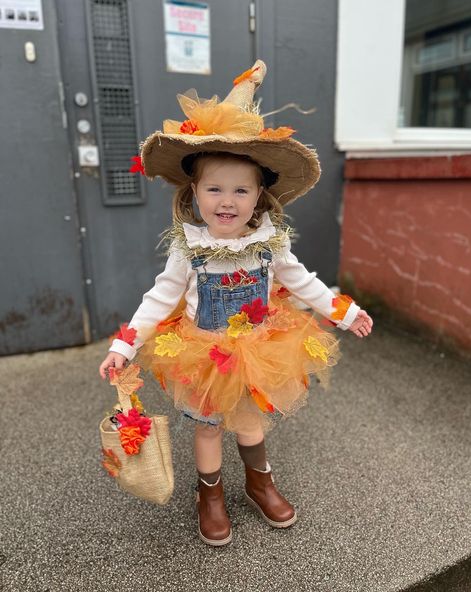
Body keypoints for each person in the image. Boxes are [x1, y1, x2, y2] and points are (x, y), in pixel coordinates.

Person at [99, 60, 373, 547]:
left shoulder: (271, 243)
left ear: (260, 196)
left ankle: (259, 483)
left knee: (249, 421)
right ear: (195, 193)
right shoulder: (189, 248)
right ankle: (210, 495)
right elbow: (161, 296)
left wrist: (345, 312)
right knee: (207, 428)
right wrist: (126, 343)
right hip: (204, 352)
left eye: (241, 190)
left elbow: (304, 282)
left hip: (257, 350)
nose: (227, 201)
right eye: (214, 189)